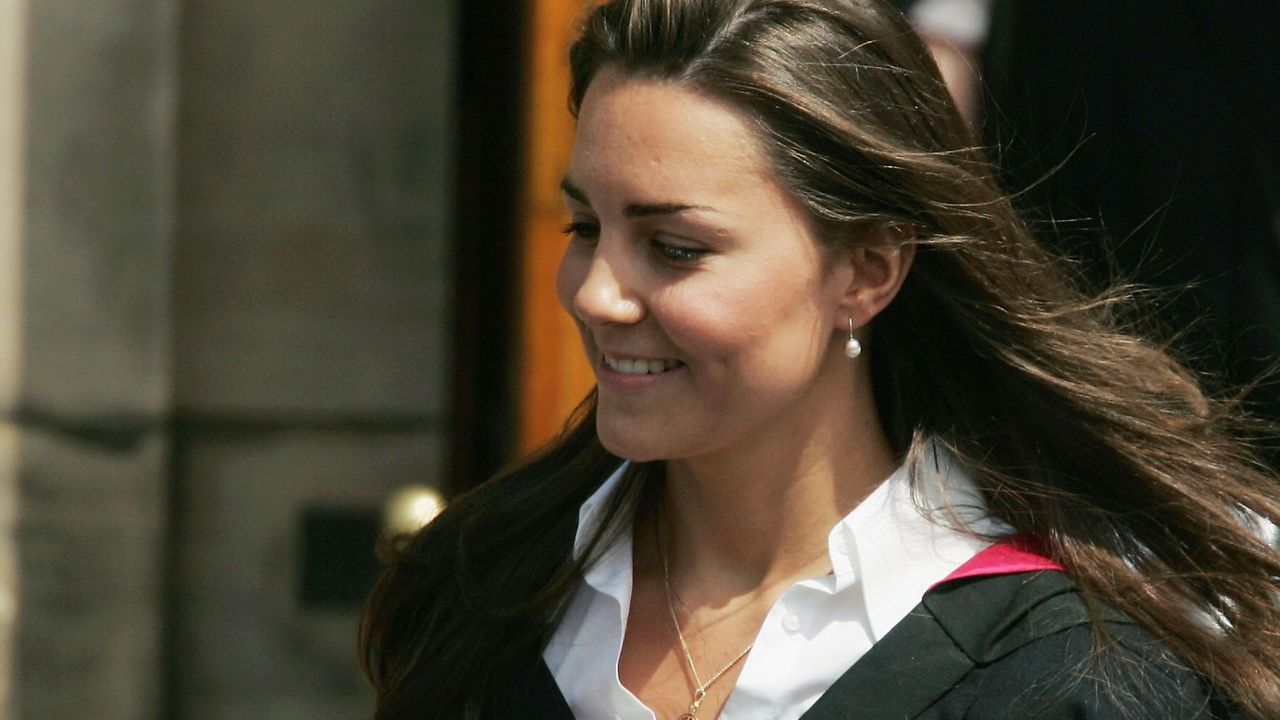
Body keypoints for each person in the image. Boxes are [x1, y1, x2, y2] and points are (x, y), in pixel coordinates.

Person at [360, 1, 1280, 718]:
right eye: (585, 227)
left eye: (676, 248)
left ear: (870, 270)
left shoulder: (1067, 676)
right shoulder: (476, 599)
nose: (598, 294)